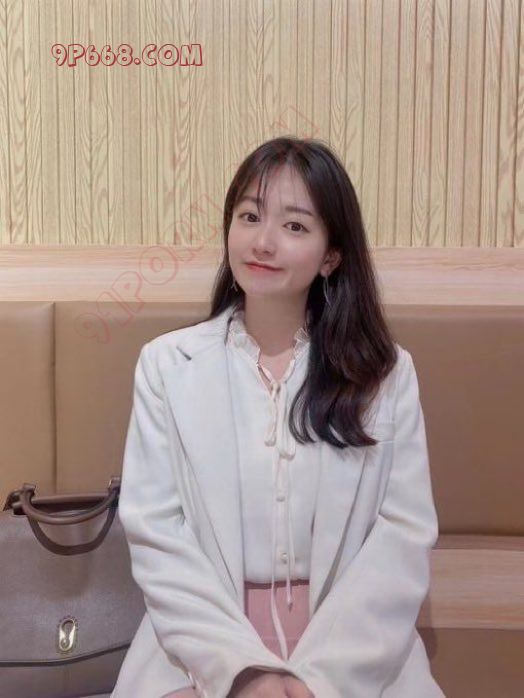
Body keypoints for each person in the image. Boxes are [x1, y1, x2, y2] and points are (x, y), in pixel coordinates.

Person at [112, 137, 445, 697]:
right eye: (249, 216)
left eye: (294, 226)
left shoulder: (384, 374)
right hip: (200, 645)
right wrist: (243, 672)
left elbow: (402, 537)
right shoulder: (166, 366)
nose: (263, 242)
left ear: (331, 255)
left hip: (354, 647)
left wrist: (320, 679)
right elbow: (156, 533)